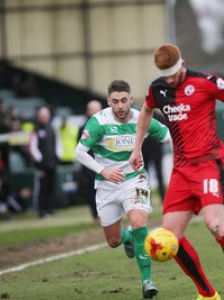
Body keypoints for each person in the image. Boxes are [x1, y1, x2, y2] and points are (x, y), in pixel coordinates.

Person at [130, 44, 224, 300]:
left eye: (173, 72)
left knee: (215, 225)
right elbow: (146, 111)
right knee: (170, 237)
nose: (169, 79)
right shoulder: (157, 88)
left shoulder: (206, 82)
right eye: (164, 74)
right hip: (181, 170)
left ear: (183, 62)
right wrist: (137, 148)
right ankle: (207, 293)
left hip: (209, 164)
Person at [74, 80, 171, 299]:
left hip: (135, 180)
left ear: (131, 99)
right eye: (115, 101)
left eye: (124, 100)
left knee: (138, 222)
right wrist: (103, 171)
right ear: (108, 101)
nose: (120, 106)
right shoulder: (98, 122)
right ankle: (128, 239)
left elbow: (169, 136)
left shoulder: (142, 119)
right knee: (113, 241)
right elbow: (79, 153)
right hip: (107, 185)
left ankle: (147, 281)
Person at [29, 107, 62, 218]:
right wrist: (40, 160)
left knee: (51, 186)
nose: (44, 117)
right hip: (42, 166)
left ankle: (49, 209)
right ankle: (41, 210)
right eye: (42, 115)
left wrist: (57, 156)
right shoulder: (36, 130)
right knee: (42, 187)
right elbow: (33, 148)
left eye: (46, 115)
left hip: (52, 163)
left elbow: (57, 143)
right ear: (39, 117)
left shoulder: (52, 128)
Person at [76, 100, 103, 222]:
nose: (96, 111)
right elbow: (80, 149)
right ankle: (95, 214)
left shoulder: (108, 125)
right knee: (92, 190)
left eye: (98, 108)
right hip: (90, 164)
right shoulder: (83, 128)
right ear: (88, 111)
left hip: (105, 163)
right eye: (93, 109)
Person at [142, 110, 167, 202]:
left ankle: (163, 197)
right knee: (144, 176)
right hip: (144, 151)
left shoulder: (157, 116)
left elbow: (164, 131)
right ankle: (146, 199)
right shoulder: (141, 115)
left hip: (156, 150)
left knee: (159, 174)